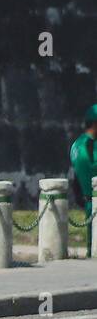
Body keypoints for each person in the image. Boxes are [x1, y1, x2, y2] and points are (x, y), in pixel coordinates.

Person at [70, 104, 97, 246]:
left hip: (86, 200)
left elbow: (75, 173)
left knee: (91, 244)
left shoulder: (76, 144)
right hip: (94, 198)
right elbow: (92, 165)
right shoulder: (90, 145)